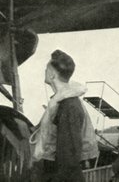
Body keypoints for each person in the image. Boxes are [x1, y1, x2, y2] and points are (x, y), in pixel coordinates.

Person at [34, 50, 98, 182]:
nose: (44, 71)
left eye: (46, 69)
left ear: (52, 74)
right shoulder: (61, 102)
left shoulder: (68, 105)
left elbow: (69, 156)